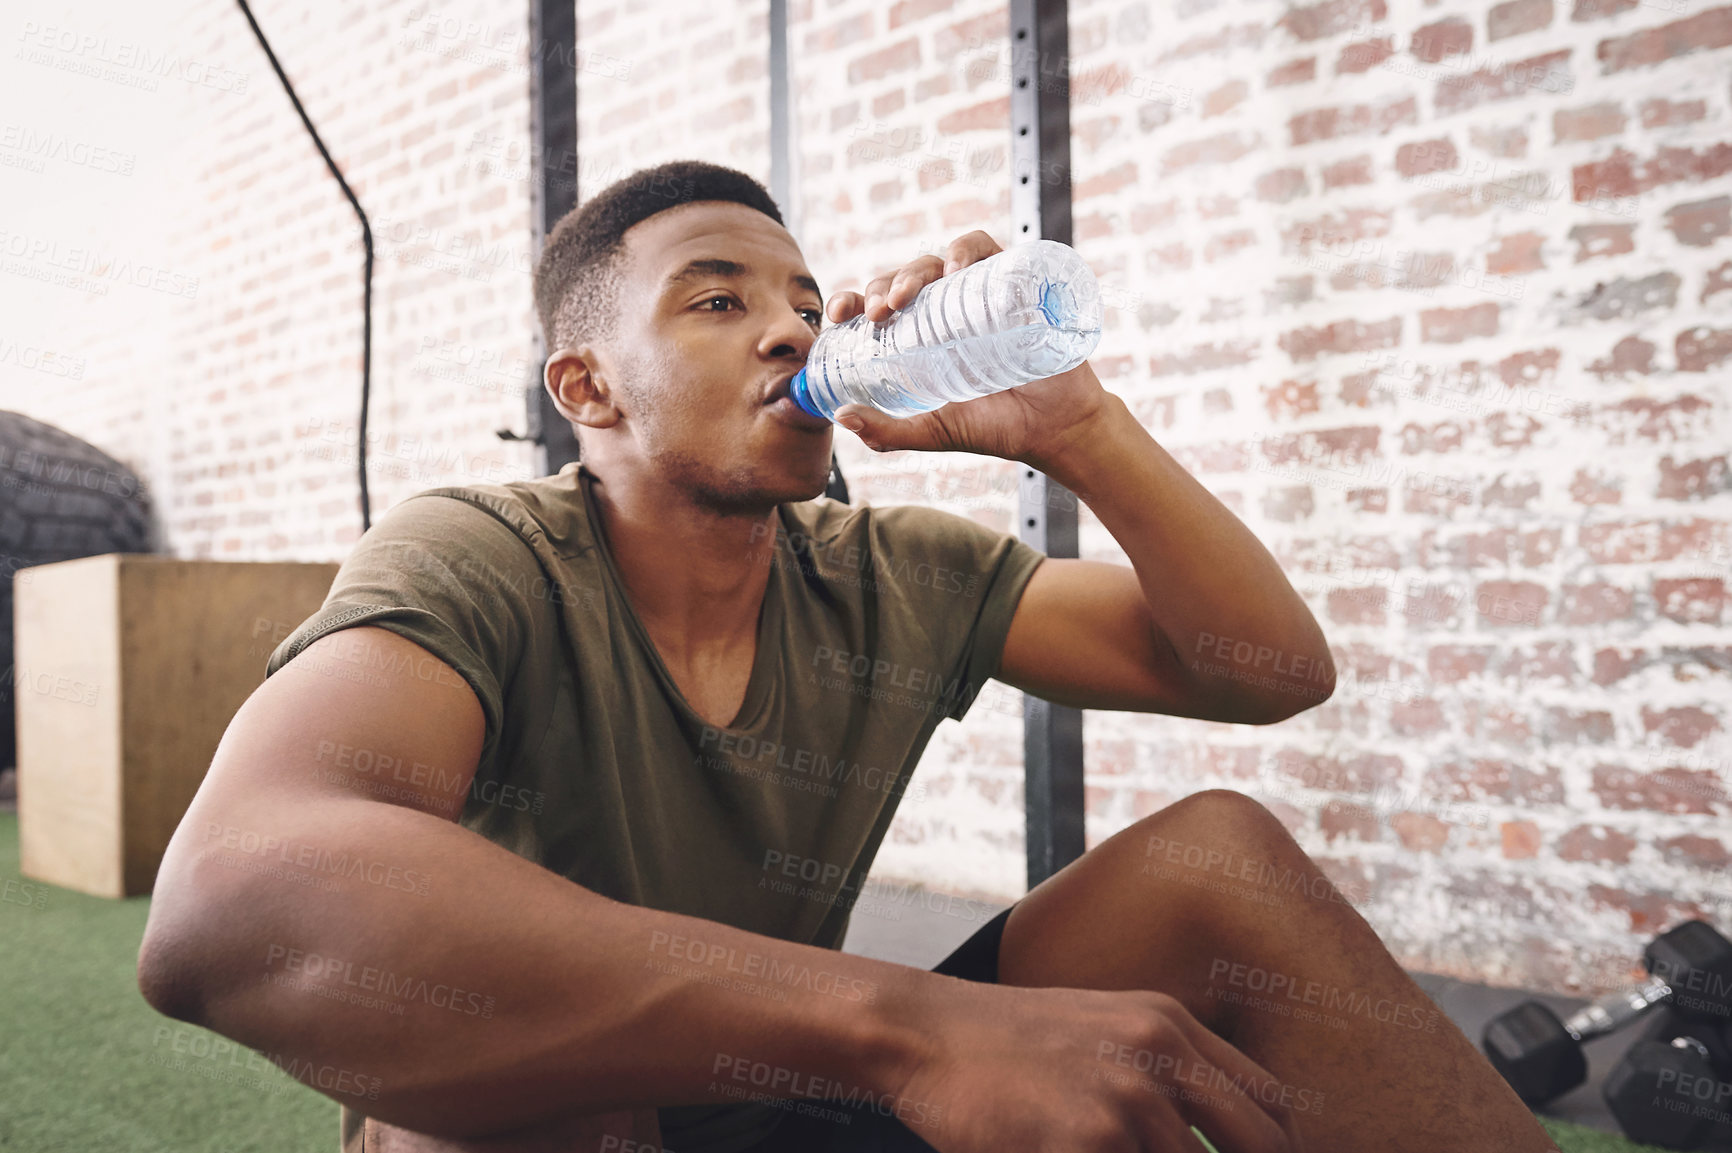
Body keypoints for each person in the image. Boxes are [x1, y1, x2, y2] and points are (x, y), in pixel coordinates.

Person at [137, 159, 1558, 1153]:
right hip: (581, 1114)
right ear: (587, 388)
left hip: (797, 1103)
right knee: (481, 1125)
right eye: (715, 302)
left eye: (805, 302)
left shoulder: (885, 572)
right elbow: (228, 901)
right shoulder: (481, 552)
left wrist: (1082, 430)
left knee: (1217, 864)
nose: (792, 330)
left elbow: (1266, 666)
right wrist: (912, 1029)